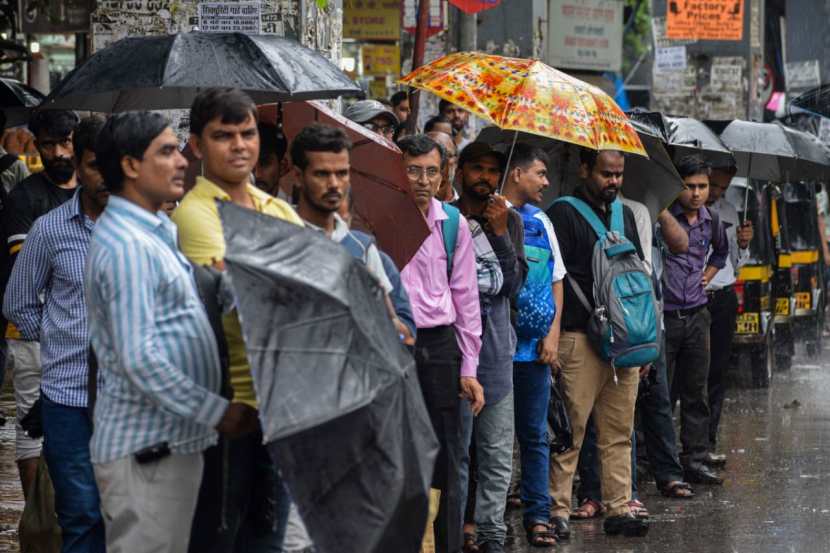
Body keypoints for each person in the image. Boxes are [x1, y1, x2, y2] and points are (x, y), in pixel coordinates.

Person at [86, 111, 256, 553]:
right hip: (148, 452)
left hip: (170, 446)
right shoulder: (127, 246)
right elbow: (139, 358)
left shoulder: (156, 231)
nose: (182, 162)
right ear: (129, 166)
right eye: (166, 152)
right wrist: (217, 411)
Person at [172, 88, 298, 553]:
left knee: (267, 541)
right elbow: (242, 299)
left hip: (280, 407)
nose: (240, 145)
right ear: (198, 146)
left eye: (247, 133)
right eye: (223, 135)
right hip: (228, 410)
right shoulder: (195, 214)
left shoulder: (278, 209)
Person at [3, 116, 106, 553]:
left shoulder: (149, 229)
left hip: (131, 398)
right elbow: (18, 301)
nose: (105, 176)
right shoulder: (50, 227)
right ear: (81, 166)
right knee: (79, 513)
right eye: (95, 165)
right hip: (67, 397)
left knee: (130, 512)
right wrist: (58, 337)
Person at [546, 149, 648, 537]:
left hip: (623, 341)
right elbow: (554, 280)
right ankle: (557, 510)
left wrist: (641, 340)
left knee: (619, 431)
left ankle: (619, 507)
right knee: (571, 432)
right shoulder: (562, 213)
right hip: (577, 337)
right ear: (585, 169)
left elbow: (637, 276)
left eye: (619, 175)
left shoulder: (625, 216)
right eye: (607, 174)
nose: (614, 182)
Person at [397, 134, 483, 553]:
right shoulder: (382, 219)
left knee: (446, 457)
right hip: (394, 343)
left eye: (432, 171)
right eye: (413, 169)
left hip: (439, 347)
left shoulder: (453, 224)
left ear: (443, 173)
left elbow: (467, 300)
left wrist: (469, 368)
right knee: (396, 451)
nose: (422, 180)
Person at [453, 143, 526, 553]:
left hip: (496, 351)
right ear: (460, 171)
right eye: (476, 169)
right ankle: (456, 528)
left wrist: (499, 235)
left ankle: (492, 535)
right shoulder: (445, 218)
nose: (484, 177)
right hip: (454, 352)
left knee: (497, 453)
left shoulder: (509, 221)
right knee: (458, 453)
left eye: (492, 171)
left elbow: (514, 286)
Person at [3, 108, 79, 497]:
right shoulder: (25, 198)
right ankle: (38, 515)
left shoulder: (94, 192)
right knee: (33, 420)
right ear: (37, 146)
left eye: (65, 142)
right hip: (32, 330)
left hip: (82, 331)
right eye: (48, 145)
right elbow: (24, 279)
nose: (59, 153)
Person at [290, 123, 414, 344]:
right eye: (322, 174)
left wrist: (386, 317)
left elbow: (402, 334)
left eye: (342, 173)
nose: (334, 184)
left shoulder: (362, 249)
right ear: (298, 176)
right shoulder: (280, 235)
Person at [501, 144, 566, 546]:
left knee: (534, 435)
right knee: (489, 440)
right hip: (493, 350)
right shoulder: (481, 217)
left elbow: (556, 280)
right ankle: (484, 520)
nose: (545, 181)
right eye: (539, 173)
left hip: (534, 352)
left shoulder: (541, 221)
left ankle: (538, 516)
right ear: (517, 174)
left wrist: (553, 334)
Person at [657, 154, 729, 485]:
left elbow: (720, 252)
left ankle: (696, 458)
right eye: (690, 186)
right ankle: (655, 459)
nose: (697, 193)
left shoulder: (711, 220)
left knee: (696, 391)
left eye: (702, 186)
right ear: (677, 186)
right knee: (660, 392)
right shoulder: (663, 217)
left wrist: (708, 276)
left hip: (698, 313)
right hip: (666, 316)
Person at [254, 121, 292, 202]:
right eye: (251, 163)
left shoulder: (292, 212)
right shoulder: (230, 207)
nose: (257, 174)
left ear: (282, 167)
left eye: (264, 163)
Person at [427, 130, 458, 202]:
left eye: (446, 154)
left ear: (456, 162)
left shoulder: (464, 206)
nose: (441, 161)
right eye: (432, 155)